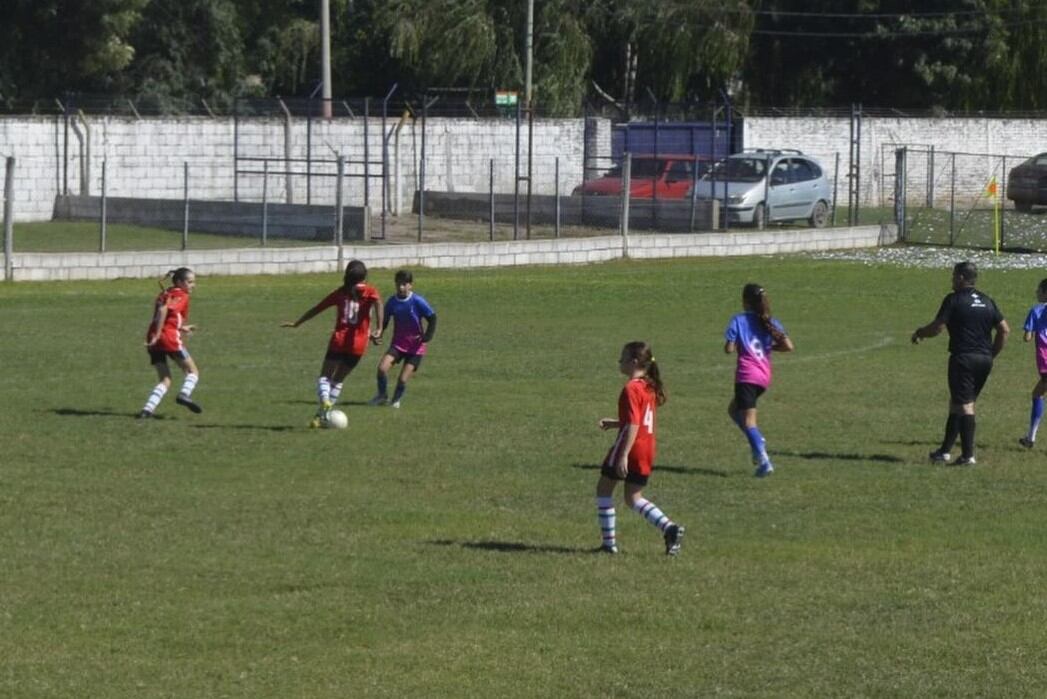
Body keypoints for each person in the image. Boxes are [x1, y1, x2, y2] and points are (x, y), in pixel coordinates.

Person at [912, 261, 1009, 466]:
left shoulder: (954, 299)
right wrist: (991, 355)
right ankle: (945, 451)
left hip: (963, 359)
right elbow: (1004, 329)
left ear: (962, 278)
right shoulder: (987, 300)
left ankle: (967, 456)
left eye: (954, 276)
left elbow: (938, 328)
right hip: (984, 360)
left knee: (965, 406)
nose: (952, 280)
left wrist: (920, 332)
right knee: (957, 402)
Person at [595, 341, 684, 556]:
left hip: (630, 446)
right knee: (634, 498)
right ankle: (669, 528)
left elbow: (634, 424)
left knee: (603, 490)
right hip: (647, 449)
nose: (619, 361)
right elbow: (640, 420)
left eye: (623, 358)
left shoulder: (631, 388)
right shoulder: (649, 386)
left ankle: (609, 545)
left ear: (634, 362)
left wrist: (623, 454)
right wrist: (616, 422)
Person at [282, 259, 383, 427]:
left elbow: (317, 308)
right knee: (338, 380)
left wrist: (298, 322)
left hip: (339, 340)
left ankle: (325, 402)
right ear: (365, 276)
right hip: (358, 344)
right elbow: (379, 303)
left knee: (325, 377)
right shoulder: (371, 292)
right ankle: (321, 415)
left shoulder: (340, 293)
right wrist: (379, 328)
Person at [724, 283, 795, 477]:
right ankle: (757, 442)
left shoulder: (738, 320)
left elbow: (729, 348)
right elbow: (789, 346)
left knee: (749, 422)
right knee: (733, 410)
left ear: (744, 301)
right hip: (763, 377)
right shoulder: (770, 321)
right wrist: (769, 348)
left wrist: (733, 344)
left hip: (746, 376)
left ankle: (763, 459)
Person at [138, 267, 202, 419]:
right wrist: (161, 333)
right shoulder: (181, 295)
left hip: (153, 338)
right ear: (180, 282)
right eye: (190, 282)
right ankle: (184, 394)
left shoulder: (166, 292)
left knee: (165, 379)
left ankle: (147, 410)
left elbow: (166, 315)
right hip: (168, 338)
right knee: (193, 372)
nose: (193, 285)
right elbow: (164, 311)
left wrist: (180, 327)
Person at [369, 269, 437, 409]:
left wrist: (427, 337)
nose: (400, 287)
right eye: (398, 284)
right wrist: (379, 334)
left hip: (415, 348)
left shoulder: (417, 301)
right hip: (398, 345)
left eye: (404, 284)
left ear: (410, 285)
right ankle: (382, 396)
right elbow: (385, 321)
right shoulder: (392, 302)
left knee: (402, 379)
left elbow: (432, 318)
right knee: (382, 369)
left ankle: (395, 401)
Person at [1019, 278, 1047, 448]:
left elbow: (1027, 338)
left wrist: (1030, 332)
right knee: (1038, 394)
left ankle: (1031, 438)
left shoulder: (1036, 310)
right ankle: (1030, 438)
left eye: (1039, 290)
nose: (1036, 292)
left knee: (1038, 394)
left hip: (1045, 360)